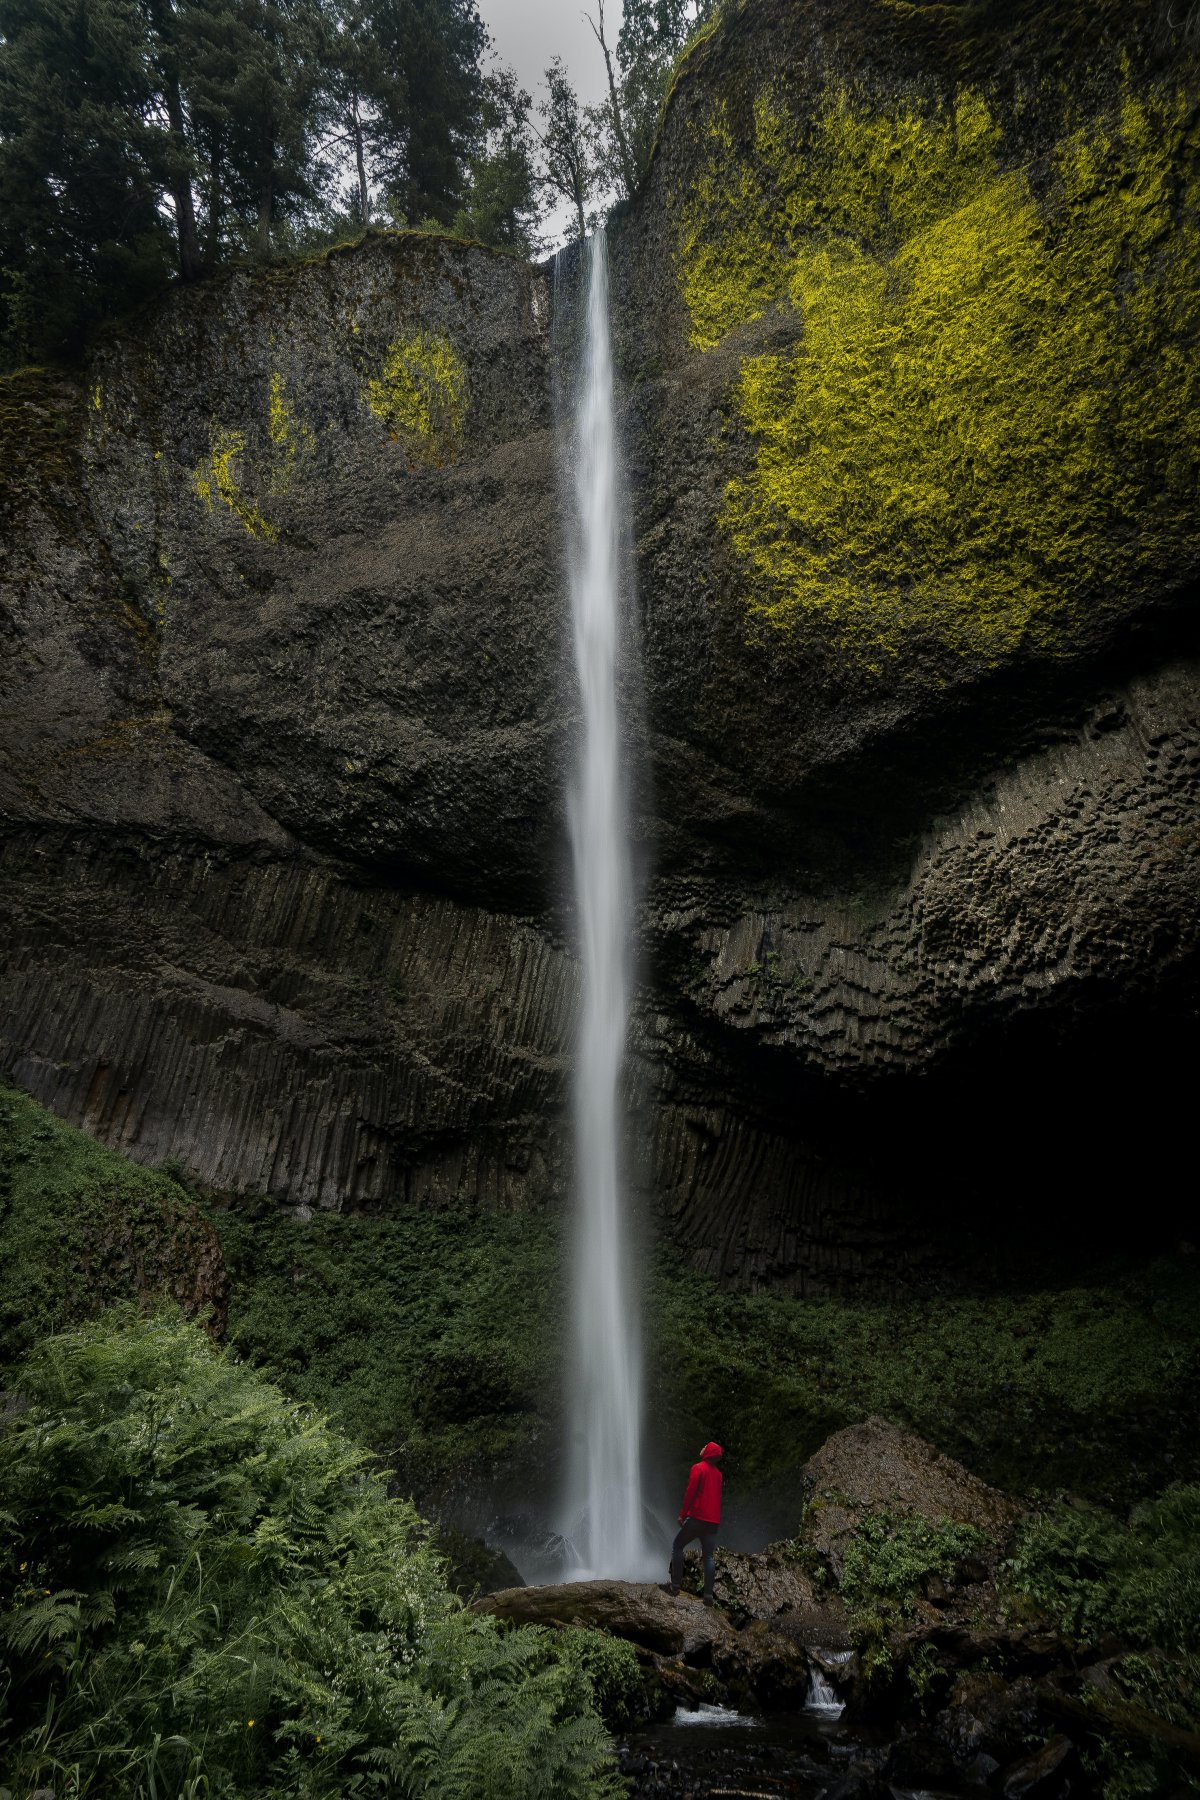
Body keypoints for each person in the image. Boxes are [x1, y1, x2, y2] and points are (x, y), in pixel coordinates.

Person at [666, 1441, 723, 1604]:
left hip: (697, 1518)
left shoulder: (698, 1468)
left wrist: (682, 1515)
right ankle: (708, 1596)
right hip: (712, 1522)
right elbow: (717, 1498)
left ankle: (675, 1585)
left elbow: (690, 1493)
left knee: (677, 1545)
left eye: (705, 1446)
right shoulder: (718, 1475)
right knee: (709, 1557)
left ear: (708, 1452)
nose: (702, 1447)